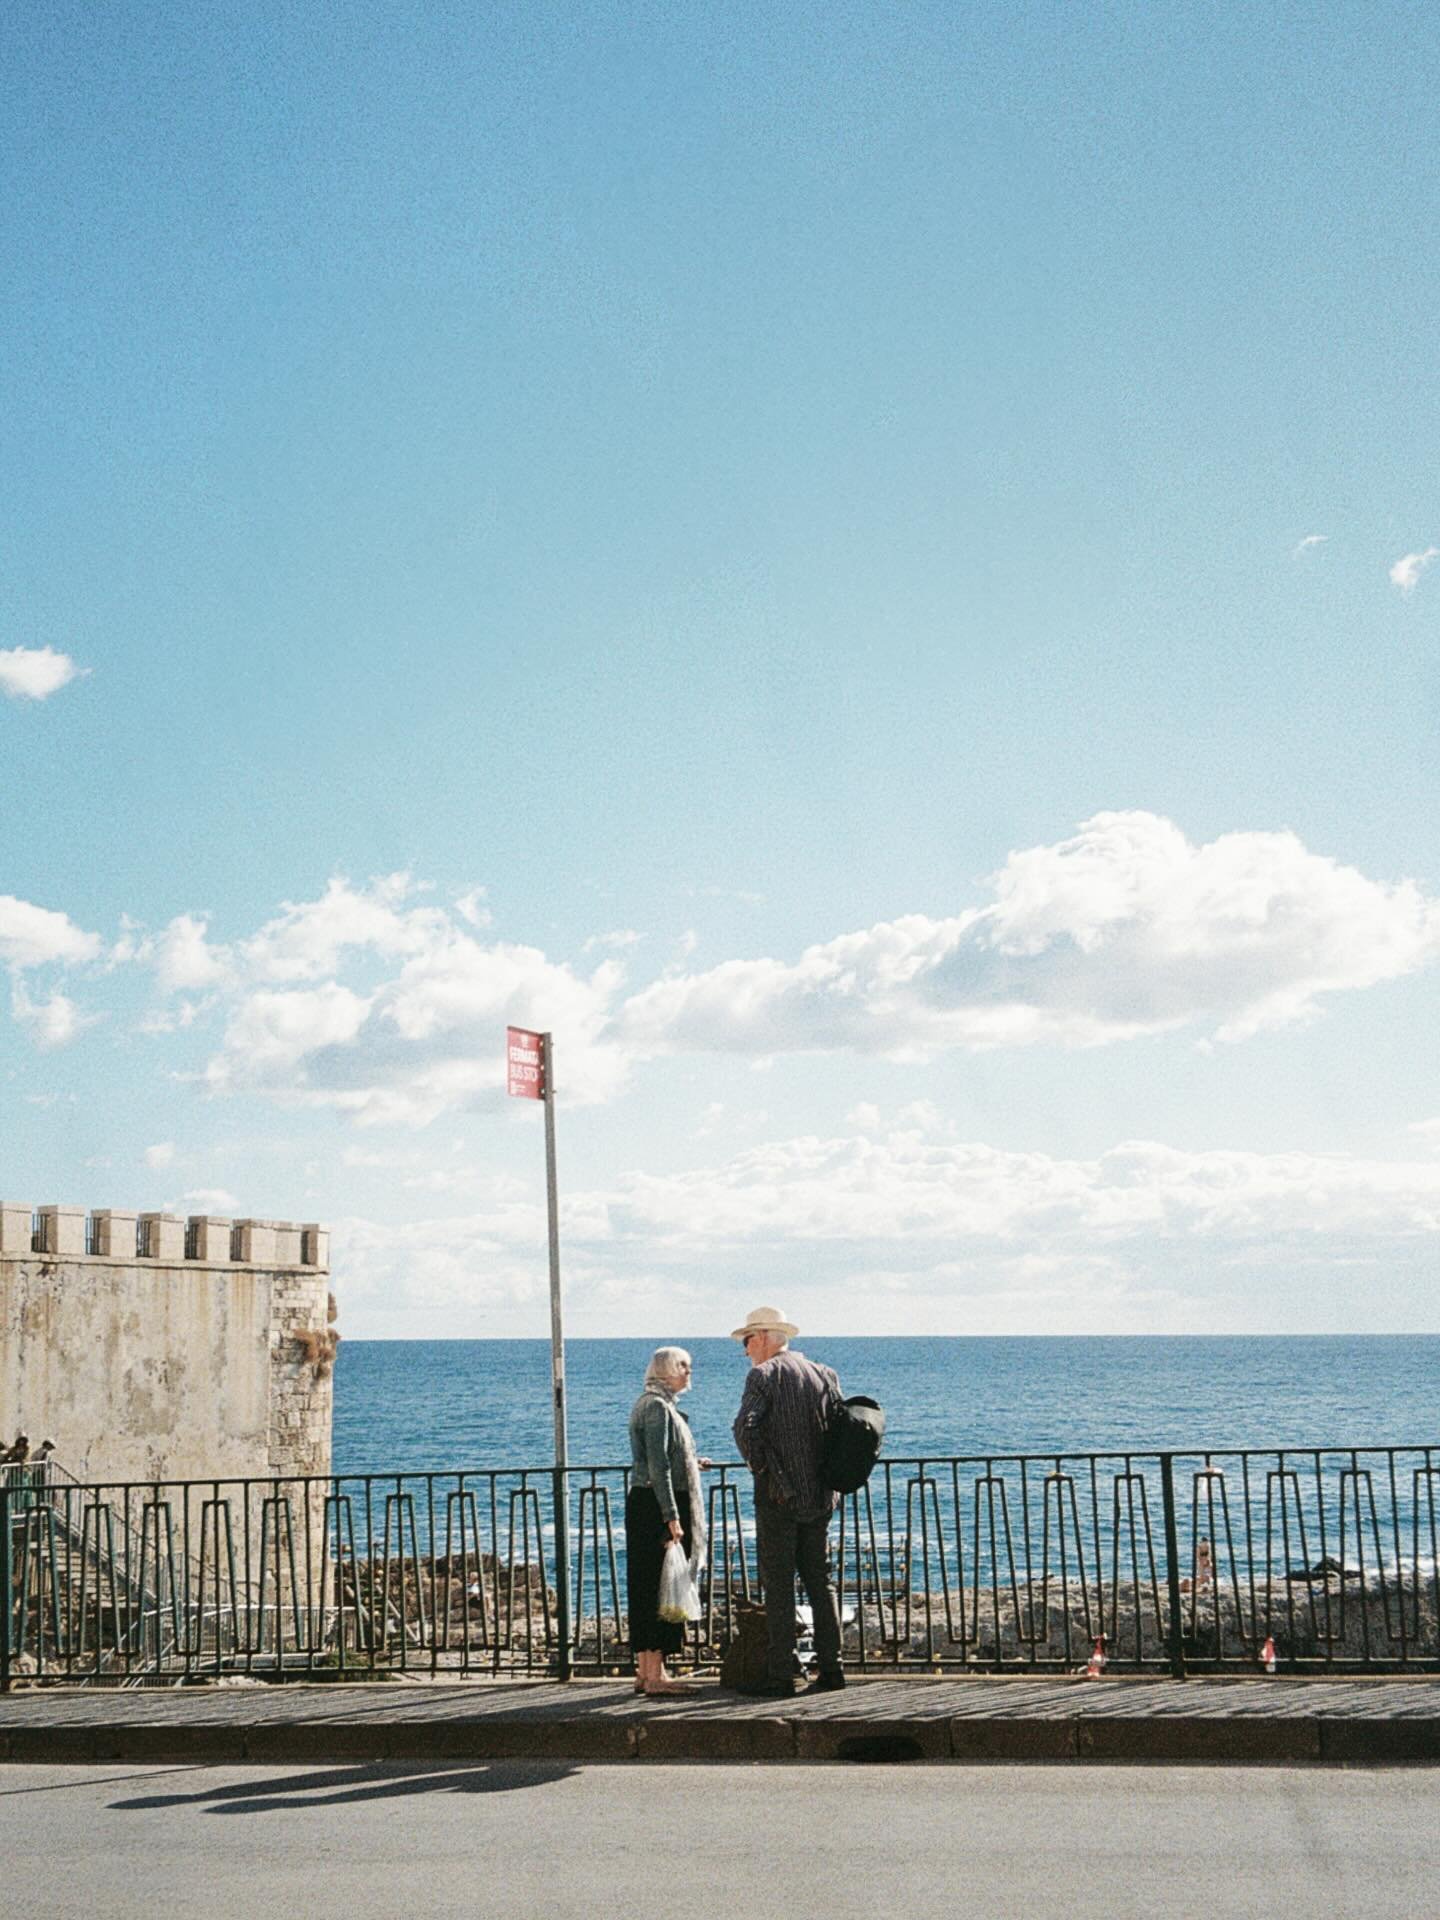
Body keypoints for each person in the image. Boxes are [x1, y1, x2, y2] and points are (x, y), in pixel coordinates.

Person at [730, 1306, 845, 1698]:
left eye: (747, 1341)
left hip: (779, 1497)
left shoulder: (763, 1375)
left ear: (763, 1336)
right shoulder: (824, 1374)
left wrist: (767, 1471)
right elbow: (838, 1431)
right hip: (821, 1496)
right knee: (820, 1580)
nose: (746, 1350)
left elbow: (744, 1429)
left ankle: (783, 1673)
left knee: (778, 1585)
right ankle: (832, 1668)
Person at [626, 1345, 707, 1696]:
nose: (689, 1372)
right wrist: (672, 1516)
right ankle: (657, 1676)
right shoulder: (658, 1408)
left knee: (646, 1588)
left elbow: (659, 1458)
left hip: (645, 1502)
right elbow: (657, 1466)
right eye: (683, 1366)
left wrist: (690, 1461)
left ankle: (646, 1672)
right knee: (663, 1589)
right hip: (658, 1504)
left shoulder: (651, 1403)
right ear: (666, 1370)